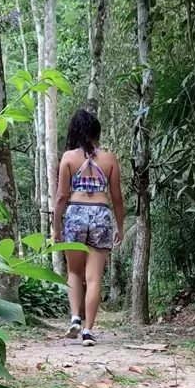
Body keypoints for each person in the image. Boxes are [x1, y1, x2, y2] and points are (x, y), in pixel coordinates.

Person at [53, 109, 124, 346]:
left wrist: (56, 228)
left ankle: (75, 318)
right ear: (97, 133)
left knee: (74, 272)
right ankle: (88, 331)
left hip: (75, 213)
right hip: (101, 215)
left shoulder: (68, 158)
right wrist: (120, 227)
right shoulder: (109, 159)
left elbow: (61, 196)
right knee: (94, 278)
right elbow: (117, 198)